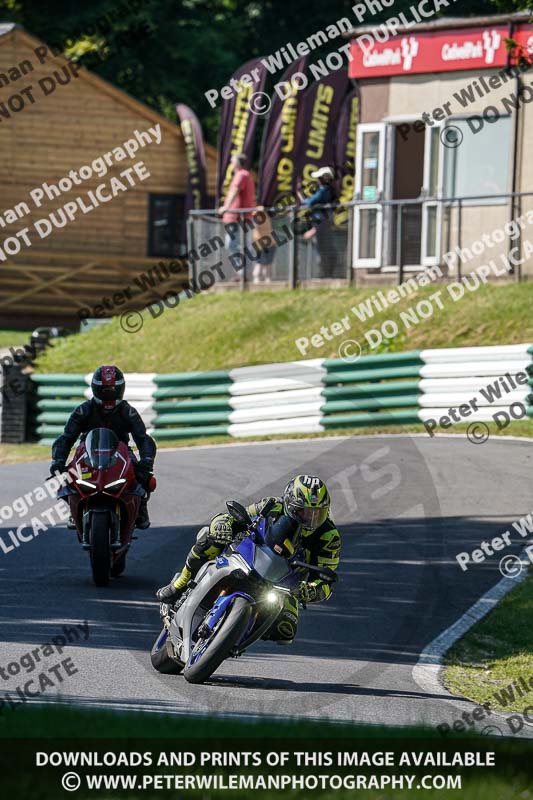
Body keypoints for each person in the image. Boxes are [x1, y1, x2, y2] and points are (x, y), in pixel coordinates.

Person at [156, 475, 340, 643]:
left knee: (285, 631)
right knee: (210, 540)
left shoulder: (330, 536)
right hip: (250, 556)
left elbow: (326, 578)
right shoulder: (272, 505)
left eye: (318, 513)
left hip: (286, 583)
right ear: (289, 505)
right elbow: (235, 517)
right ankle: (179, 585)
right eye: (305, 512)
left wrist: (312, 590)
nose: (312, 519)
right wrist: (223, 525)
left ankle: (233, 639)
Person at [50, 365, 156, 529]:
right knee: (68, 478)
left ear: (120, 389)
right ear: (95, 389)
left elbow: (142, 438)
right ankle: (74, 509)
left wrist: (147, 459)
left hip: (121, 451)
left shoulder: (128, 411)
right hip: (87, 451)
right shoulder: (83, 410)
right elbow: (66, 437)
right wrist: (57, 460)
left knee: (142, 476)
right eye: (105, 390)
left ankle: (141, 508)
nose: (109, 394)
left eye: (113, 389)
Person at [219, 153, 256, 275]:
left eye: (232, 161)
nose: (230, 163)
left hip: (239, 217)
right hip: (237, 217)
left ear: (238, 163)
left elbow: (235, 190)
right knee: (234, 245)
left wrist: (226, 207)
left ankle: (243, 273)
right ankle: (242, 273)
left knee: (233, 244)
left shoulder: (242, 174)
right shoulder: (242, 175)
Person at [299, 166, 338, 278]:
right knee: (323, 248)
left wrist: (303, 200)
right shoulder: (328, 190)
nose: (317, 180)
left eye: (319, 178)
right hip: (321, 222)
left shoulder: (324, 190)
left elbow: (310, 202)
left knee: (322, 250)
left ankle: (323, 275)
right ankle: (325, 274)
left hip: (321, 222)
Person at [252, 206, 276, 283]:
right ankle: (259, 278)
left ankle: (266, 279)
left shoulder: (265, 216)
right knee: (261, 262)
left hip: (269, 242)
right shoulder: (258, 217)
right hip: (261, 243)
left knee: (267, 262)